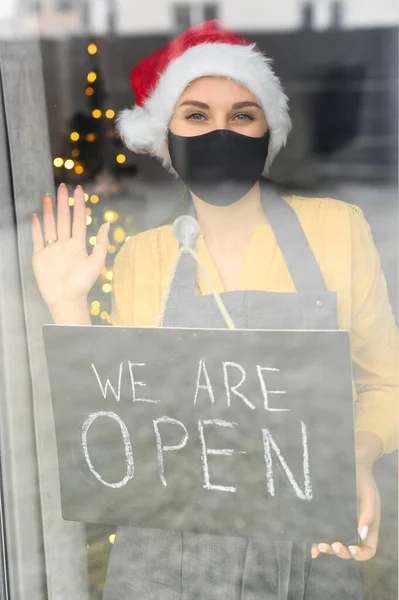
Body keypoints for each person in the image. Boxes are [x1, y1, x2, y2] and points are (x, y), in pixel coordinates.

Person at [32, 20, 398, 600]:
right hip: (163, 557)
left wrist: (353, 460)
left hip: (306, 547)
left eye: (242, 115)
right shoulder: (141, 258)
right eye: (196, 115)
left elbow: (386, 384)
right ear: (166, 134)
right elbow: (115, 423)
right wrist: (67, 300)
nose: (220, 132)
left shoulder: (334, 229)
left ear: (267, 129)